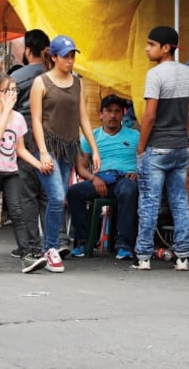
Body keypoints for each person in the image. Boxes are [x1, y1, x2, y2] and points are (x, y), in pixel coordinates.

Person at [29, 34, 99, 273]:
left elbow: (83, 117)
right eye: (66, 56)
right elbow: (36, 120)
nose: (70, 60)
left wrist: (94, 149)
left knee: (60, 197)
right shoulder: (41, 82)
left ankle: (49, 248)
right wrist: (43, 152)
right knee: (57, 197)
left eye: (72, 56)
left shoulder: (77, 81)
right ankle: (50, 248)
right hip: (47, 146)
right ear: (55, 57)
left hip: (69, 148)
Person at [133, 26, 189, 272]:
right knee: (179, 201)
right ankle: (182, 255)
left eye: (151, 44)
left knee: (150, 202)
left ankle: (143, 255)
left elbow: (149, 116)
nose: (146, 48)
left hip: (157, 148)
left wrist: (141, 146)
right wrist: (183, 133)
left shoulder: (155, 75)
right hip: (180, 148)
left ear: (166, 47)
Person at [0, 74, 51, 273]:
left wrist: (38, 164)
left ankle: (26, 256)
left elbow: (21, 149)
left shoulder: (18, 119)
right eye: (8, 91)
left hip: (11, 172)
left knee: (17, 212)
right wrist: (7, 110)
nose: (12, 94)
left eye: (15, 90)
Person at [67, 95, 140, 259]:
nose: (113, 115)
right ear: (100, 114)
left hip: (125, 180)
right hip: (100, 180)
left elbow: (145, 161)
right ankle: (83, 242)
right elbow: (81, 167)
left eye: (117, 111)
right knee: (74, 192)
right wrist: (94, 179)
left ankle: (124, 245)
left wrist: (138, 172)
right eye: (108, 111)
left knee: (129, 190)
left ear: (123, 114)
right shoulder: (90, 136)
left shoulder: (135, 136)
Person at [12, 29, 52, 261]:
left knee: (27, 193)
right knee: (49, 192)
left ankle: (31, 245)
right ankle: (54, 242)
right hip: (52, 136)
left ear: (28, 50)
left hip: (25, 135)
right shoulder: (55, 75)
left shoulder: (17, 78)